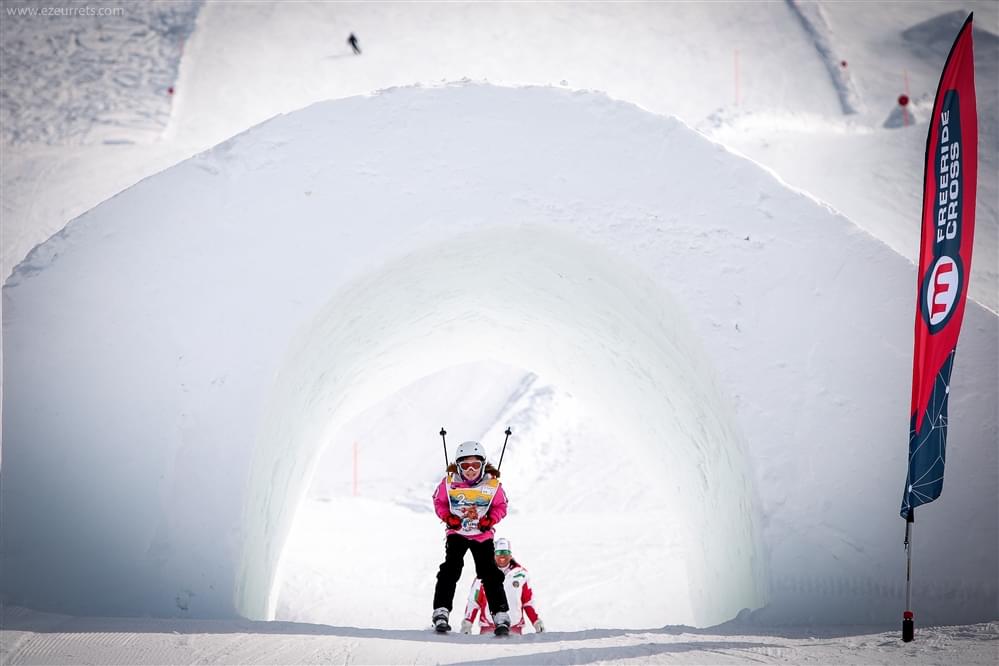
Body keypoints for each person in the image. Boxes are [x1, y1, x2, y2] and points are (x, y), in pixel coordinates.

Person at [432, 440, 511, 634]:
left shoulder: (491, 486)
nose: (470, 470)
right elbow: (439, 502)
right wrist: (448, 517)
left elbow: (501, 506)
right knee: (451, 568)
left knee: (489, 572)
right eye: (465, 465)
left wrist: (490, 520)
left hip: (482, 535)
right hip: (457, 533)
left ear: (483, 465)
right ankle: (441, 611)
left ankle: (500, 614)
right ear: (458, 466)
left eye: (475, 465)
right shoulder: (449, 484)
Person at [461, 537, 545, 635]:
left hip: (514, 628)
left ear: (510, 555)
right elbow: (474, 601)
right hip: (488, 627)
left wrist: (536, 621)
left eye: (505, 552)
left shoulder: (521, 574)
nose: (502, 556)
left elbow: (528, 601)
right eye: (498, 553)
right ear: (494, 554)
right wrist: (467, 623)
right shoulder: (484, 574)